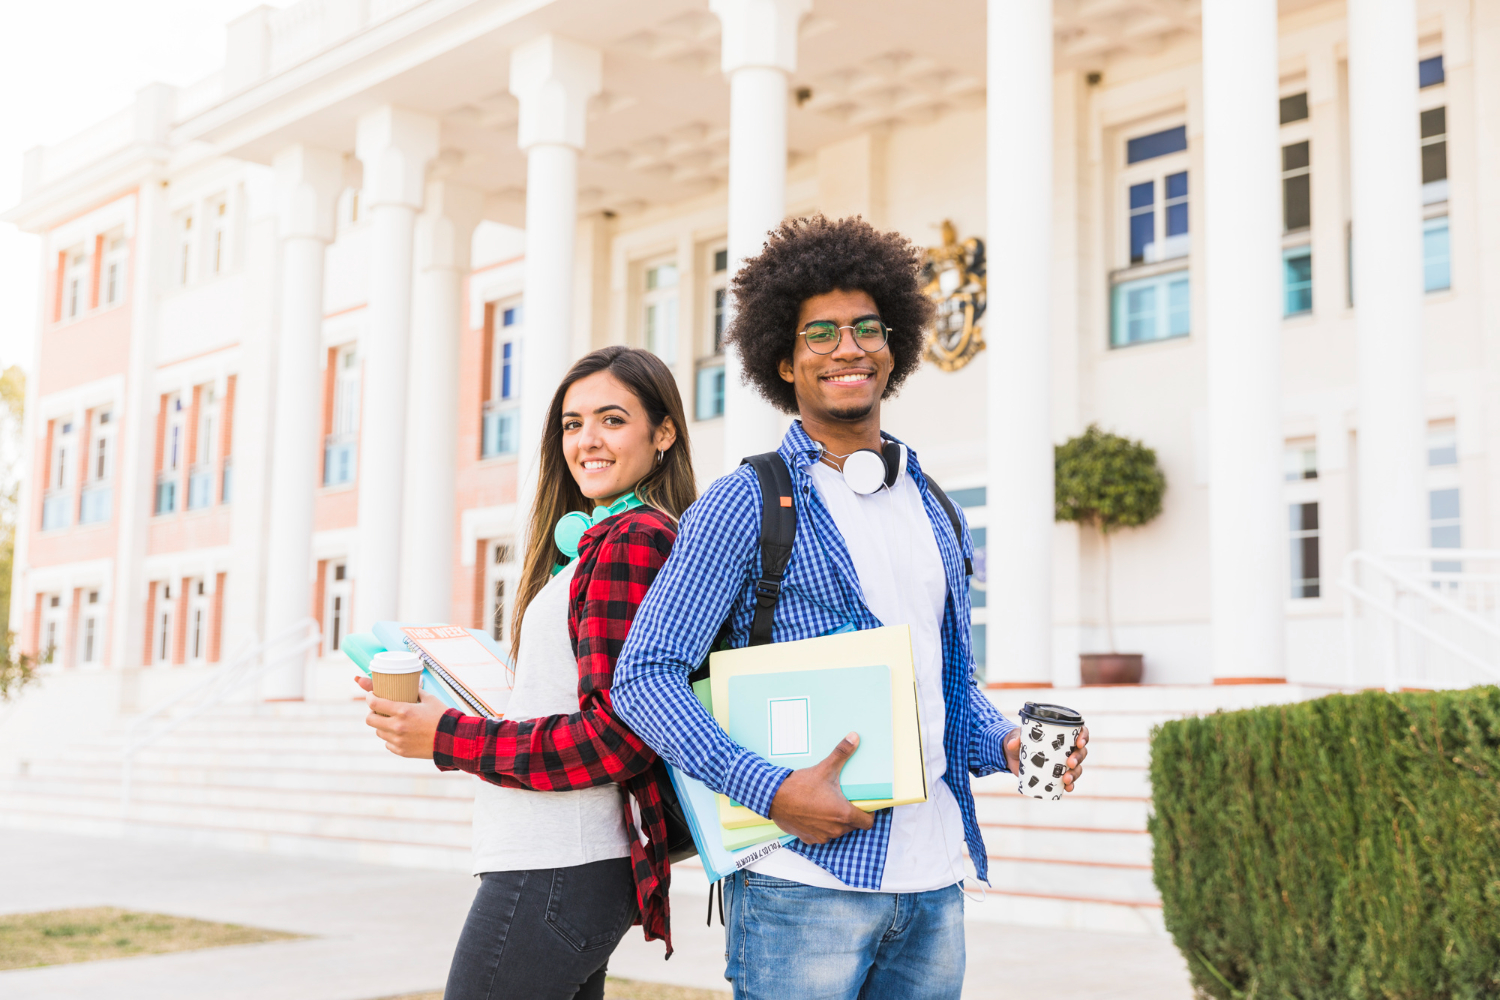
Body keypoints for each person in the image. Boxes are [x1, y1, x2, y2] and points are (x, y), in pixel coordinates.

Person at [612, 216, 1090, 1000]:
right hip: (803, 885)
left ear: (893, 347)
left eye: (867, 328)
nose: (848, 348)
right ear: (785, 362)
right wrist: (769, 789)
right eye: (821, 333)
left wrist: (1007, 742)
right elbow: (645, 676)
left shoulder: (934, 504)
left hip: (935, 879)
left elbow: (945, 682)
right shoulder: (745, 503)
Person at [359, 345, 696, 1000]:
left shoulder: (631, 542)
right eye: (572, 424)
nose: (586, 441)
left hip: (559, 861)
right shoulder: (603, 541)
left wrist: (447, 736)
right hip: (566, 859)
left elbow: (616, 739)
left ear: (663, 432)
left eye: (611, 420)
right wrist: (453, 702)